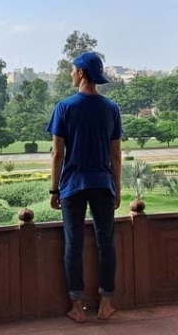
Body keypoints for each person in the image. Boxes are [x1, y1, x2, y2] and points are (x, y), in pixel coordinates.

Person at [48, 51, 123, 323]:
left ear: (80, 73)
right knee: (106, 244)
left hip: (72, 186)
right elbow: (116, 154)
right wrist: (118, 187)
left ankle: (77, 308)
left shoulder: (65, 107)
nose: (70, 74)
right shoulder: (110, 108)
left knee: (73, 244)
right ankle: (105, 304)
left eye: (72, 70)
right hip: (103, 184)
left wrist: (53, 190)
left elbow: (57, 154)